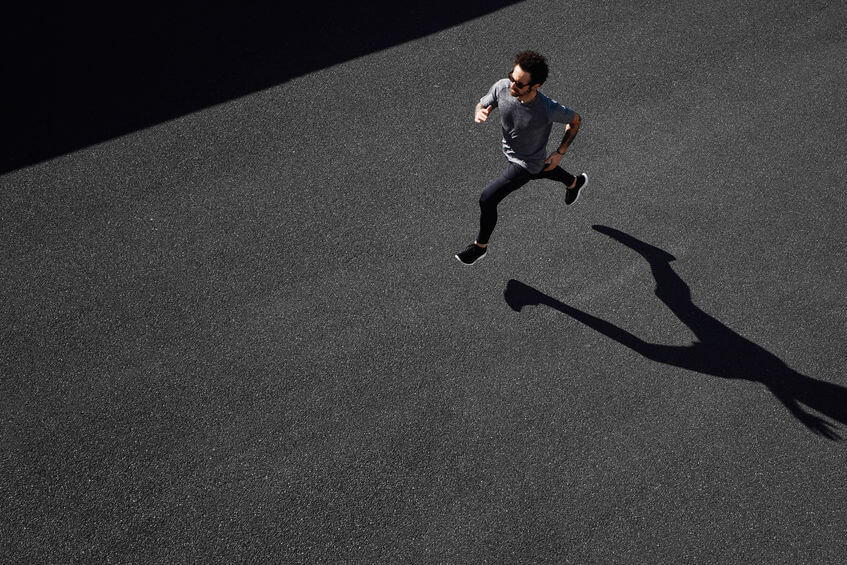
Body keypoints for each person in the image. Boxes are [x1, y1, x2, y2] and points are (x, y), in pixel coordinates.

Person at [456, 51, 588, 265]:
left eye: (519, 84)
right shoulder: (501, 87)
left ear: (535, 86)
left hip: (526, 163)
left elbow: (576, 120)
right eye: (512, 77)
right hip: (515, 154)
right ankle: (574, 182)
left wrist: (560, 152)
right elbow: (482, 103)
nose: (512, 86)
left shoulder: (548, 109)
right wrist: (479, 111)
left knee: (488, 198)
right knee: (542, 170)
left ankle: (480, 247)